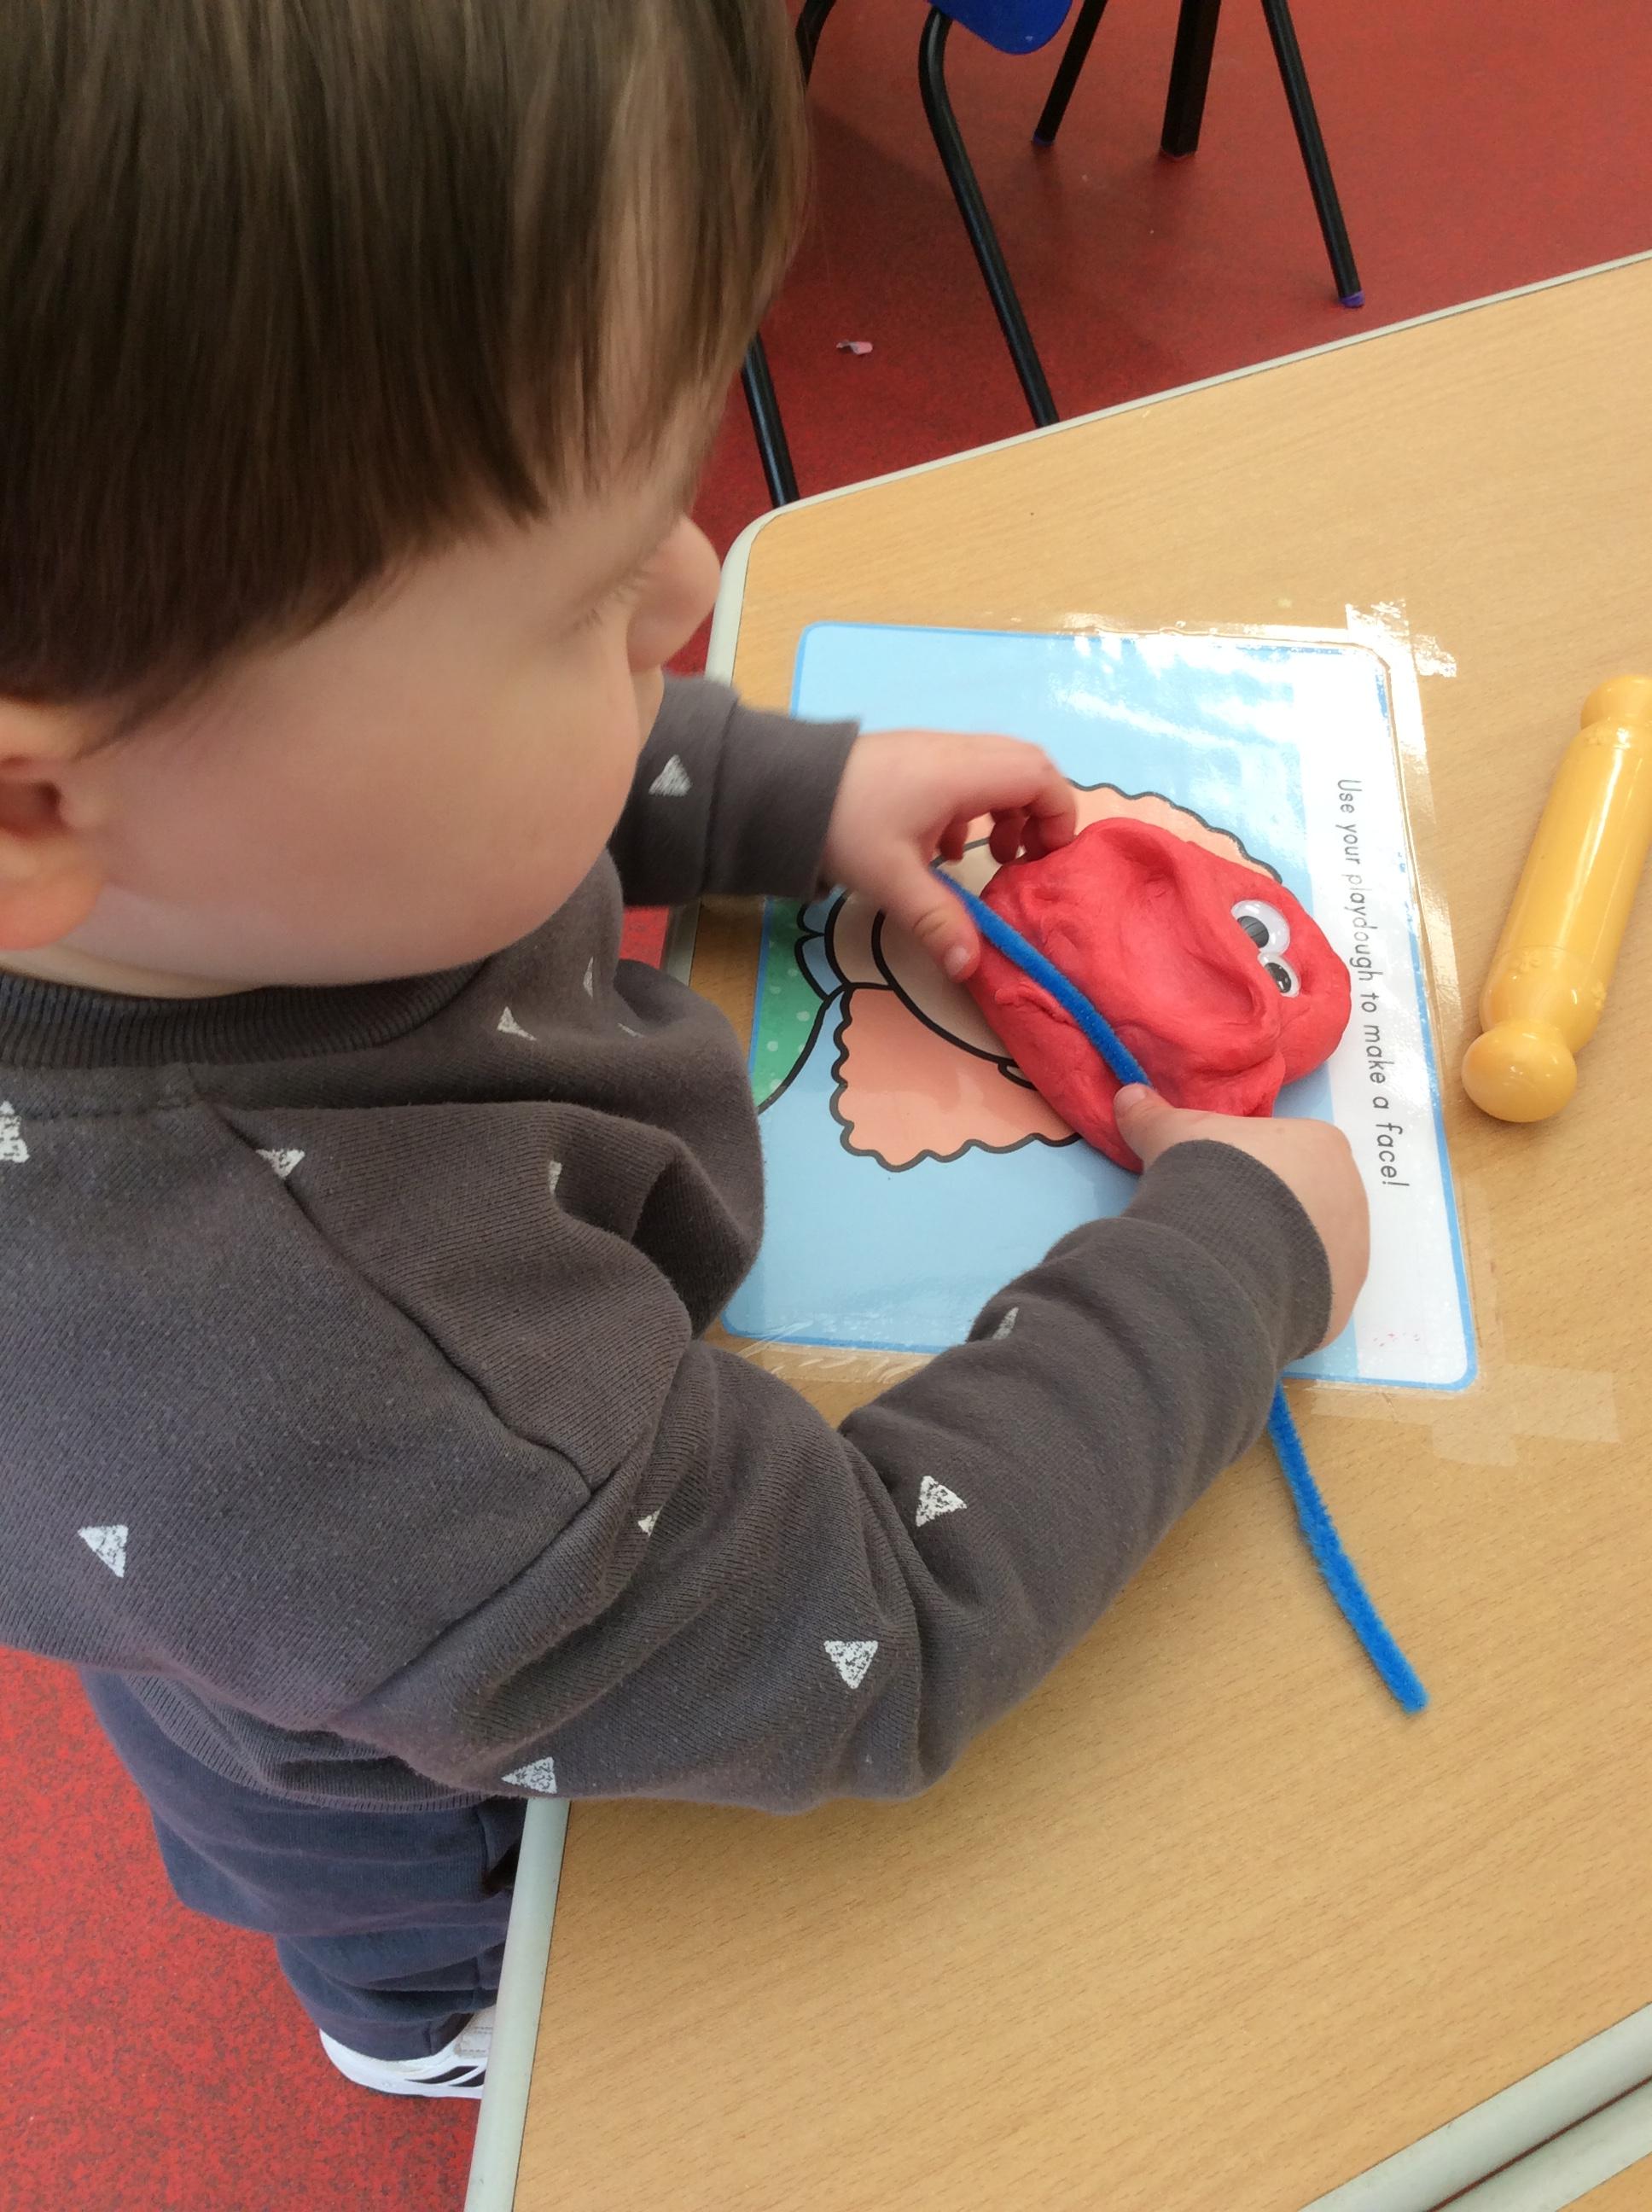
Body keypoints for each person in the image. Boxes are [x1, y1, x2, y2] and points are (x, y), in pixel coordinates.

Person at [0, 0, 1368, 2100]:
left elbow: (391, 784)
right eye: (574, 605)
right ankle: (424, 2041)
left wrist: (771, 788)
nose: (696, 580)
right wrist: (1225, 1266)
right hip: (485, 1832)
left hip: (475, 1533)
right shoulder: (357, 1385)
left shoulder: (210, 848)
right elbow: (874, 1627)